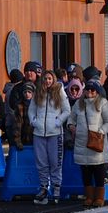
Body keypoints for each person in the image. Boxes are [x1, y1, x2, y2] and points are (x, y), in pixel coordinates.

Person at [69, 80, 108, 209]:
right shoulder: (79, 104)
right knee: (86, 171)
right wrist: (71, 126)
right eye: (87, 89)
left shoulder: (102, 103)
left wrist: (100, 132)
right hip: (82, 141)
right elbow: (71, 118)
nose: (89, 92)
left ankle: (99, 197)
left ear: (97, 91)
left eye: (92, 90)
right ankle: (89, 196)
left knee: (99, 170)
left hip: (96, 141)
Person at [30, 73, 70, 205]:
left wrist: (58, 122)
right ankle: (43, 187)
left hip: (55, 133)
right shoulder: (38, 92)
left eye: (49, 79)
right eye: (45, 79)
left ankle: (56, 187)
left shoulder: (59, 91)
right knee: (41, 162)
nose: (47, 81)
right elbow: (31, 110)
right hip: (39, 133)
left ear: (53, 79)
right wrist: (34, 122)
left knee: (55, 162)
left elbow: (66, 110)